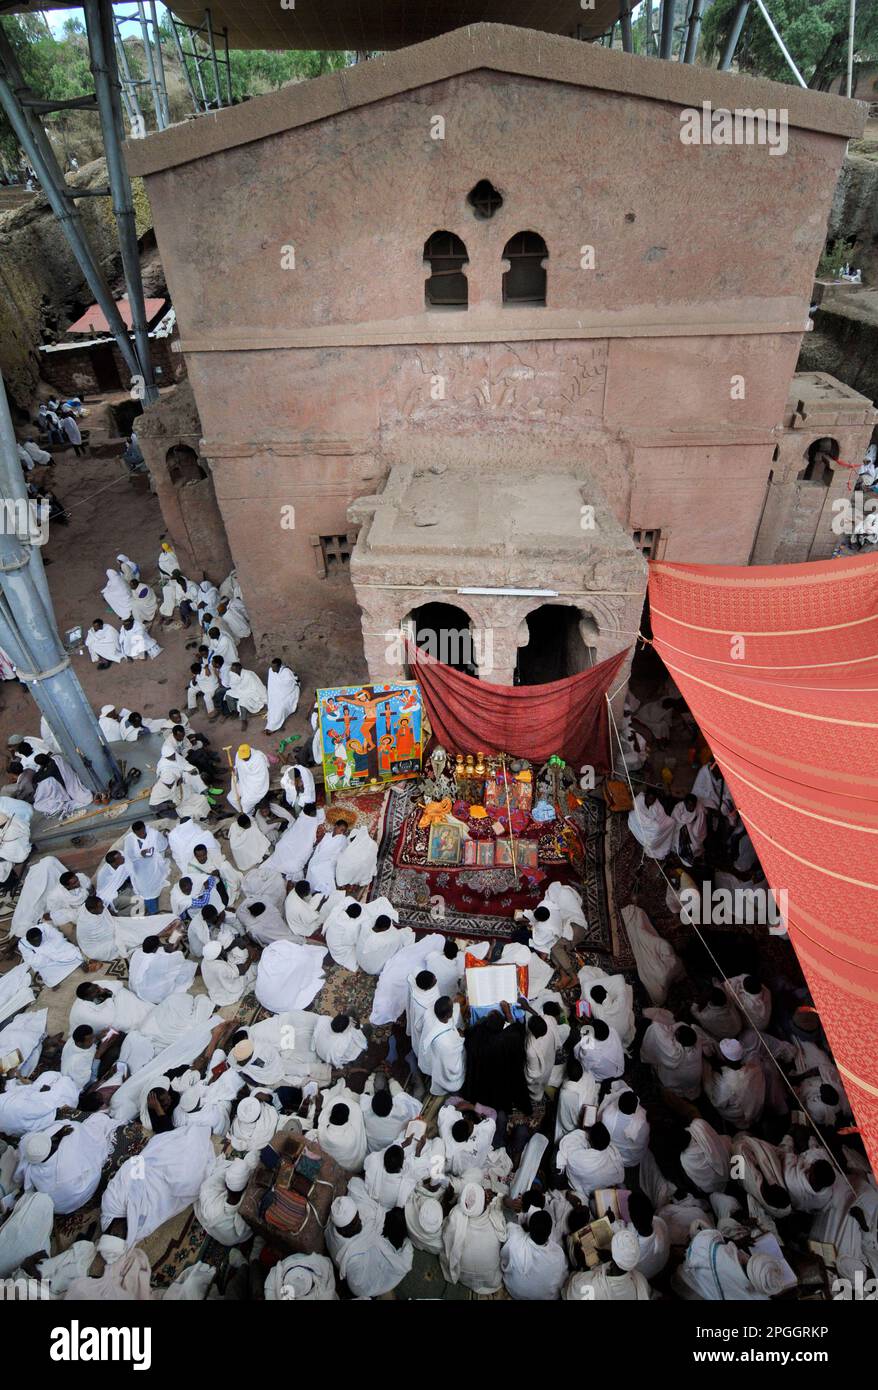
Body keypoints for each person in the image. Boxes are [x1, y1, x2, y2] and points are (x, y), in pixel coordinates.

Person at [16, 1112, 117, 1214]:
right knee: (76, 1129)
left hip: (57, 1206)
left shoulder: (32, 1171)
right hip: (81, 1192)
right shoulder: (68, 1151)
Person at [441, 1182, 506, 1294]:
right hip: (490, 1279)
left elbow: (446, 1235)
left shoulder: (456, 1214)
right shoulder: (496, 1219)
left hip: (463, 1276)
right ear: (485, 1203)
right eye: (484, 1193)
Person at [501, 1208, 567, 1300]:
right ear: (549, 1232)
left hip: (514, 1291)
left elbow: (509, 1218)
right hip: (541, 1297)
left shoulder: (515, 1238)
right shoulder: (558, 1254)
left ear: (529, 1227)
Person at [128, 935, 197, 1003]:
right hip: (149, 994)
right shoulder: (157, 961)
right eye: (159, 944)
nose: (161, 944)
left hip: (135, 987)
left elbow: (157, 954)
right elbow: (178, 958)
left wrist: (165, 949)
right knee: (186, 967)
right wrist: (172, 949)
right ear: (155, 948)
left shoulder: (137, 952)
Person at [123, 821, 170, 913]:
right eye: (138, 833)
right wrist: (140, 854)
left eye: (142, 832)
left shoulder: (153, 834)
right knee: (142, 883)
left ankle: (153, 909)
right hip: (138, 863)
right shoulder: (129, 839)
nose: (141, 834)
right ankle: (150, 908)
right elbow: (129, 855)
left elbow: (163, 846)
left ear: (145, 828)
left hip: (154, 861)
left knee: (153, 880)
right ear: (134, 833)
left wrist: (153, 850)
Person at [628, 789, 675, 860]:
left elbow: (661, 813)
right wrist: (655, 823)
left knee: (671, 821)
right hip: (638, 819)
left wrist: (659, 821)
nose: (651, 801)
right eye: (649, 799)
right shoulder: (638, 801)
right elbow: (641, 818)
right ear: (645, 796)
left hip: (653, 820)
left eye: (653, 799)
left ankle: (662, 843)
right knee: (657, 828)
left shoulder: (655, 801)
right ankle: (652, 845)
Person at [229, 743, 269, 816]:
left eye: (246, 757)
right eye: (243, 757)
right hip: (243, 782)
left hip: (256, 785)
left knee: (245, 802)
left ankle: (249, 814)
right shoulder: (238, 755)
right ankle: (241, 811)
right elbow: (238, 767)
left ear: (250, 751)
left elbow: (261, 777)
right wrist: (234, 770)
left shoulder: (258, 758)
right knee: (231, 798)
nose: (244, 759)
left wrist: (251, 785)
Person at [224, 664, 268, 730]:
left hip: (252, 693)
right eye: (231, 669)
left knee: (242, 702)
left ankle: (244, 720)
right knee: (228, 694)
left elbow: (258, 686)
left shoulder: (249, 675)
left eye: (233, 669)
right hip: (241, 691)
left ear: (238, 669)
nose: (231, 670)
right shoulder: (233, 674)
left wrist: (265, 698)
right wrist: (238, 688)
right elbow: (233, 685)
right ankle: (234, 711)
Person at [265, 657, 300, 733]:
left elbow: (290, 684)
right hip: (276, 693)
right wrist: (274, 694)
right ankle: (271, 725)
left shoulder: (286, 672)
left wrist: (280, 689)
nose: (272, 668)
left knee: (281, 707)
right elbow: (271, 684)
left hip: (288, 692)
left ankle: (275, 726)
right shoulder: (270, 671)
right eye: (272, 666)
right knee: (272, 705)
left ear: (279, 666)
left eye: (274, 667)